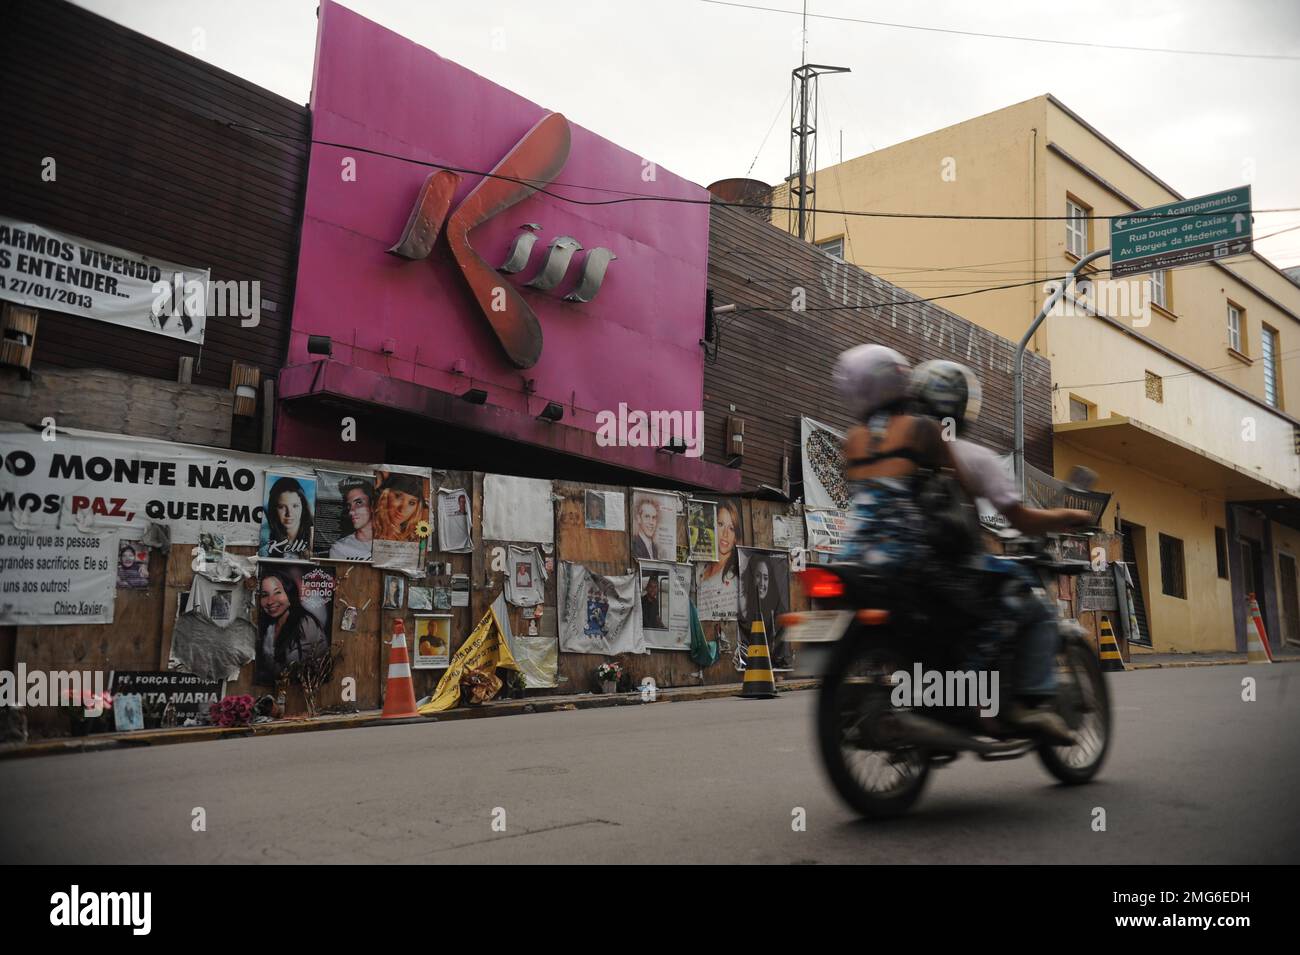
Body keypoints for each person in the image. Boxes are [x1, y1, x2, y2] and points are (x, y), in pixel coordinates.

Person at [832, 346, 1088, 742]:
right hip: (915, 558)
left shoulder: (852, 440)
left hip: (857, 558)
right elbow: (962, 495)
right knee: (1006, 610)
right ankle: (988, 703)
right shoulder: (925, 433)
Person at [907, 360, 1092, 739]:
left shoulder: (892, 453)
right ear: (962, 407)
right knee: (1035, 608)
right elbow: (1020, 519)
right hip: (955, 570)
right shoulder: (974, 457)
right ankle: (1024, 705)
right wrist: (1066, 514)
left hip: (904, 568)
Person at [257, 567, 328, 683]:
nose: (270, 601)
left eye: (277, 593)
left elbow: (288, 673)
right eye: (264, 595)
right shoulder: (269, 625)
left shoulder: (306, 624)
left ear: (290, 594)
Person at [742, 552, 790, 666]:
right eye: (758, 576)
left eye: (766, 578)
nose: (762, 583)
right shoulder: (743, 608)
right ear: (751, 578)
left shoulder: (778, 611)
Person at [263, 477, 314, 558]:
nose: (289, 513)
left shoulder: (313, 539)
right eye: (282, 507)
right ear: (274, 509)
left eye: (295, 506)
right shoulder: (267, 545)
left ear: (303, 507)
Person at [373, 472, 428, 542]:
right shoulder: (369, 528)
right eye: (398, 496)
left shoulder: (414, 537)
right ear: (385, 495)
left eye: (412, 503)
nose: (402, 509)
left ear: (417, 508)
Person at [330, 477, 375, 560]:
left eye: (359, 503)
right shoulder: (339, 548)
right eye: (349, 506)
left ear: (372, 506)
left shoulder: (387, 541)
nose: (351, 512)